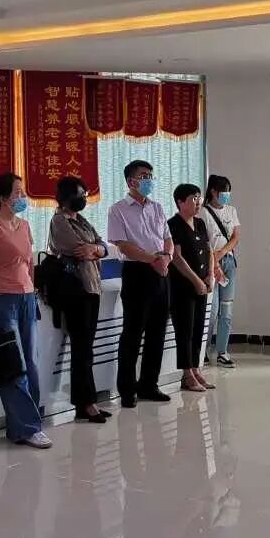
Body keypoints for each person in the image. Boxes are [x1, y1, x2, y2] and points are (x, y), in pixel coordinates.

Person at [0, 173, 51, 448]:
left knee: (31, 361)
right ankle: (28, 428)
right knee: (14, 364)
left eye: (22, 191)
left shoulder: (25, 225)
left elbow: (29, 263)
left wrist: (33, 293)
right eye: (17, 192)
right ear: (3, 198)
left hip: (26, 297)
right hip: (3, 298)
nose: (22, 197)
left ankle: (25, 424)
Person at [107, 159, 174, 407]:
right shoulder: (118, 210)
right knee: (133, 333)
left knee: (157, 332)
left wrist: (166, 257)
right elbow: (123, 245)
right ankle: (127, 390)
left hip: (161, 271)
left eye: (150, 176)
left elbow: (167, 238)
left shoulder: (157, 207)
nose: (149, 180)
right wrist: (153, 259)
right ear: (131, 181)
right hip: (136, 272)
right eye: (144, 176)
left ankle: (149, 385)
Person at [49, 175, 111, 423]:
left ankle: (86, 401)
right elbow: (78, 248)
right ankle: (86, 403)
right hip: (75, 290)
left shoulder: (81, 220)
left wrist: (95, 249)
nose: (84, 198)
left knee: (87, 348)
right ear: (66, 197)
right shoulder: (59, 221)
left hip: (91, 287)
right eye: (80, 194)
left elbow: (101, 245)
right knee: (81, 348)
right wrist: (95, 249)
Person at [169, 183, 215, 393]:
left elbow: (209, 250)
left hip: (203, 284)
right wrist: (196, 281)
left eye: (199, 197)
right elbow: (177, 258)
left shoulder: (200, 223)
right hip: (183, 286)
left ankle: (196, 369)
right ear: (180, 202)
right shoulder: (174, 225)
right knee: (185, 330)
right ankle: (187, 374)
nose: (198, 202)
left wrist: (211, 275)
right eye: (193, 198)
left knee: (198, 329)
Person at [200, 175, 240, 368]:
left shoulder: (231, 210)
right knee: (212, 310)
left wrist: (222, 253)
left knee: (226, 310)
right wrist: (213, 262)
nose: (226, 195)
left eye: (228, 191)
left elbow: (236, 236)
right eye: (223, 191)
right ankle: (203, 350)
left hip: (228, 261)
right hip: (209, 263)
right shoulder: (203, 212)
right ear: (213, 192)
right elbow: (203, 240)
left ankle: (223, 351)